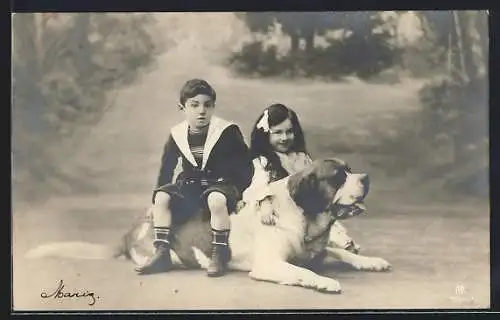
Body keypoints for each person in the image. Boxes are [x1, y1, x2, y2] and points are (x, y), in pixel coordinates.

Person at [135, 79, 254, 277]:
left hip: (222, 184)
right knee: (162, 198)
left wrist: (242, 195)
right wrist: (154, 202)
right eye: (194, 105)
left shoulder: (227, 131)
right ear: (182, 107)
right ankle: (162, 252)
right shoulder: (177, 134)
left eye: (207, 105)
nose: (201, 111)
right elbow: (167, 168)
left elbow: (246, 166)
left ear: (213, 107)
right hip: (192, 186)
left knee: (215, 200)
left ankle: (220, 252)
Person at [242, 103, 361, 253]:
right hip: (277, 207)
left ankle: (340, 242)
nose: (284, 138)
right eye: (278, 133)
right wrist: (266, 204)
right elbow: (259, 183)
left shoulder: (301, 158)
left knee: (322, 215)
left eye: (289, 132)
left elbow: (314, 180)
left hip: (301, 205)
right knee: (282, 231)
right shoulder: (263, 160)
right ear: (266, 134)